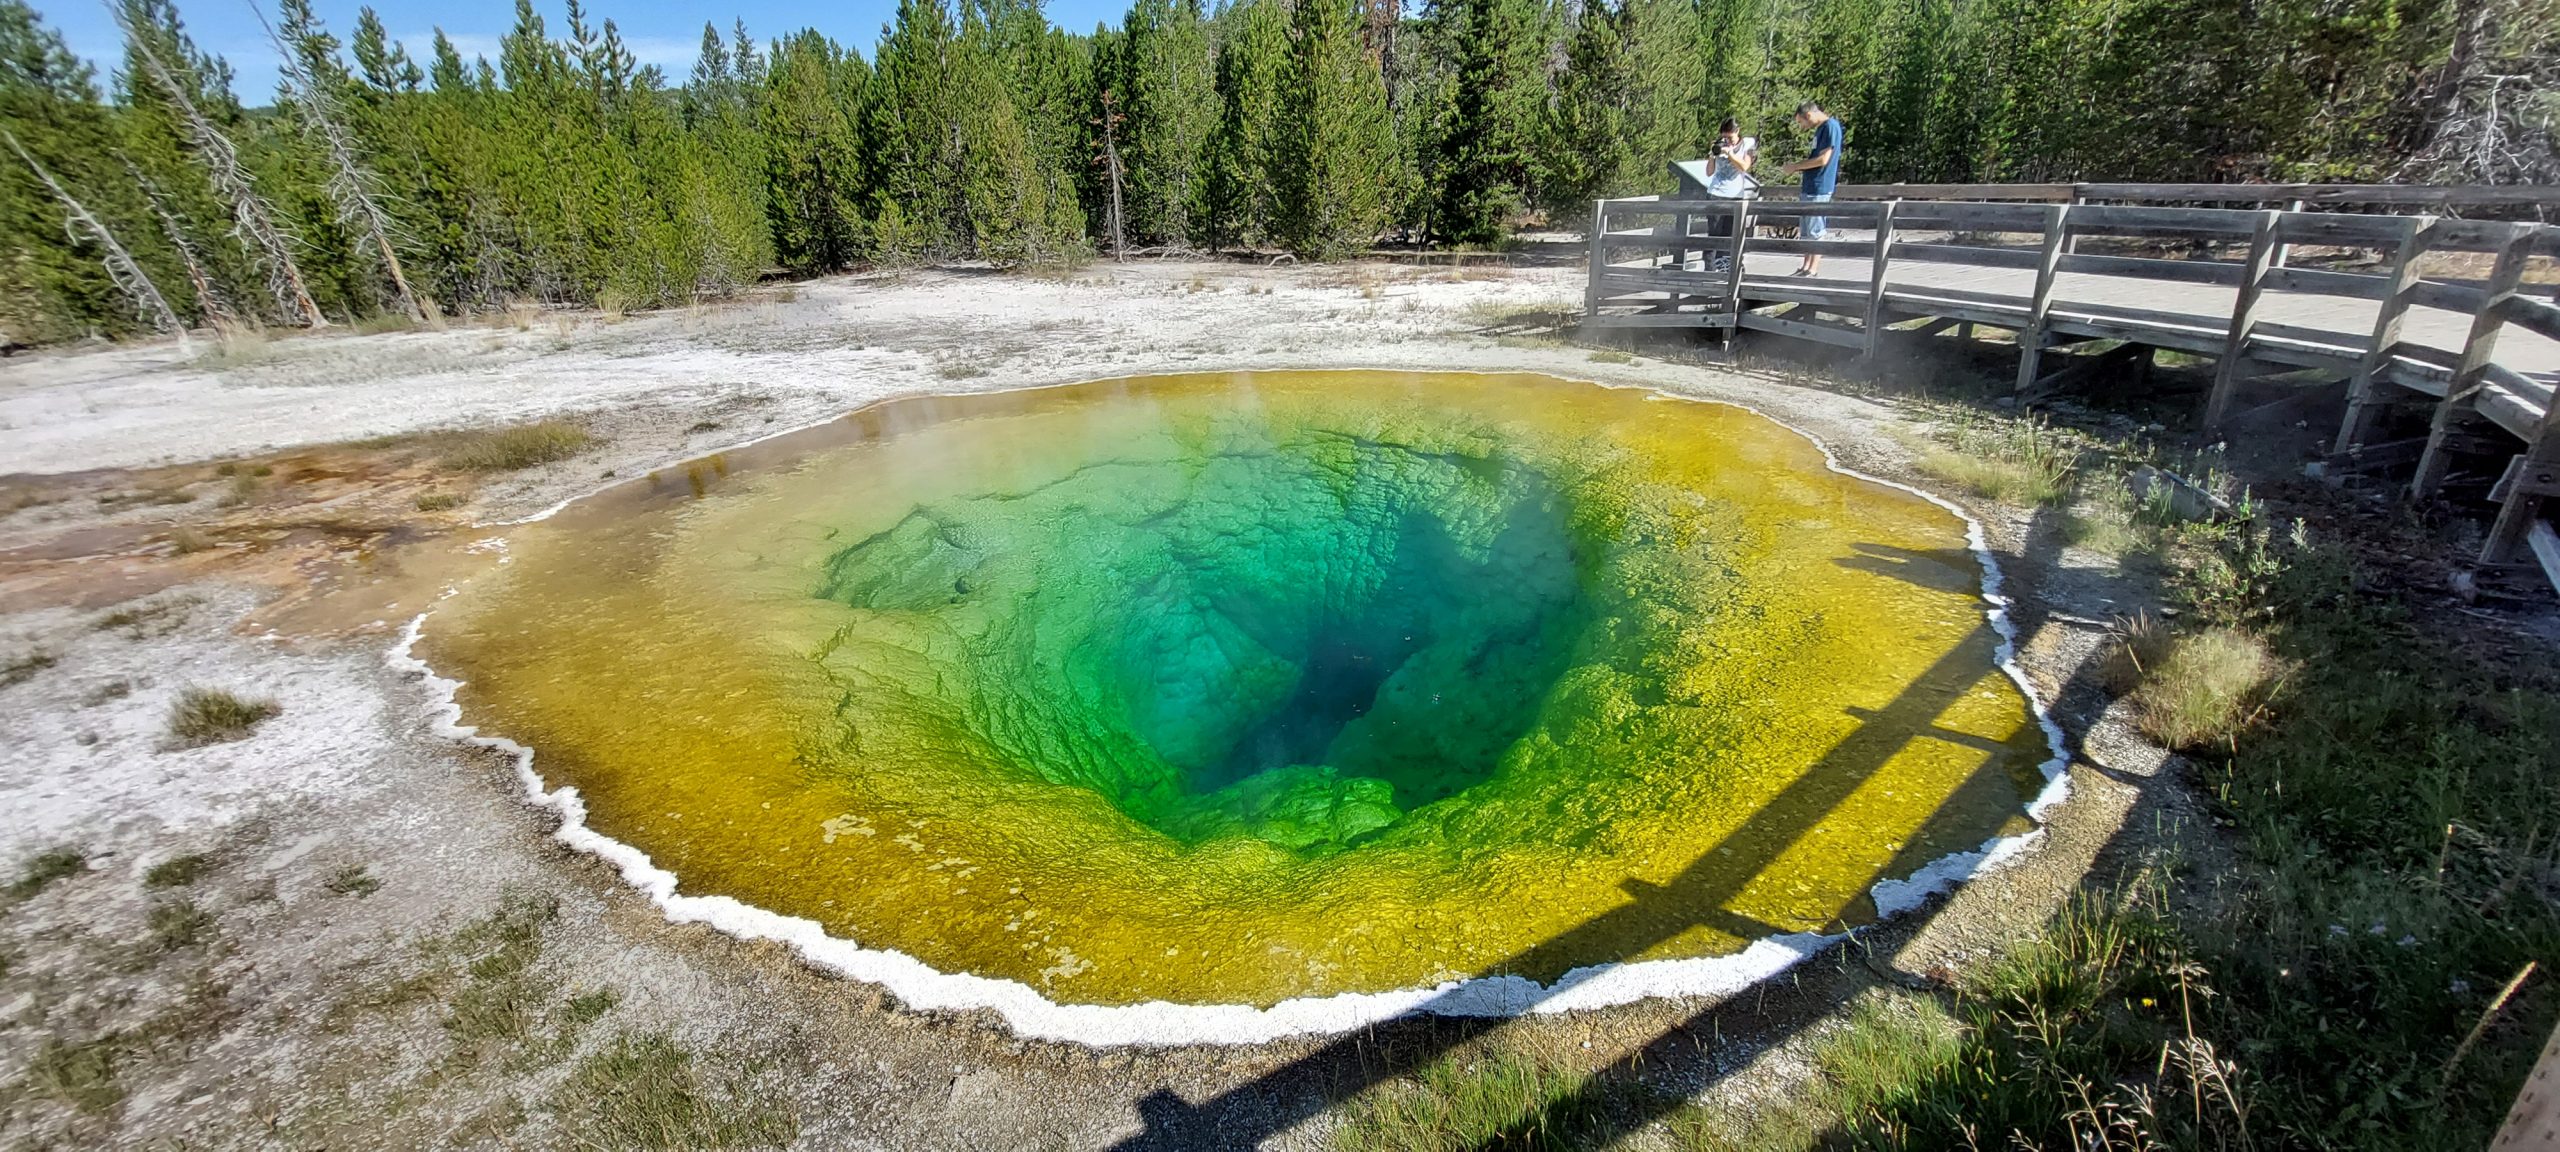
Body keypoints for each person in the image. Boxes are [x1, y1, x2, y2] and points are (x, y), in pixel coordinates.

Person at [1779, 101, 1843, 276]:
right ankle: (1805, 267)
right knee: (1806, 230)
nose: (1802, 126)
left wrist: (1796, 166)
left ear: (1808, 115)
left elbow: (1823, 160)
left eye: (1801, 122)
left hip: (1820, 186)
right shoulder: (1820, 129)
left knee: (1816, 229)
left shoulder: (1830, 126)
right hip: (1810, 185)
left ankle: (1813, 269)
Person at [1700, 118, 1757, 271]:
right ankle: (1710, 270)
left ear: (1737, 132)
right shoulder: (1720, 144)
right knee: (1714, 234)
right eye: (1725, 137)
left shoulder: (1747, 144)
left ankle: (1727, 268)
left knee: (1731, 235)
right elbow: (1709, 172)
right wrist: (1712, 155)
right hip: (1716, 193)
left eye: (1730, 137)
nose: (1727, 141)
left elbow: (1744, 166)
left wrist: (1730, 154)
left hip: (1736, 195)